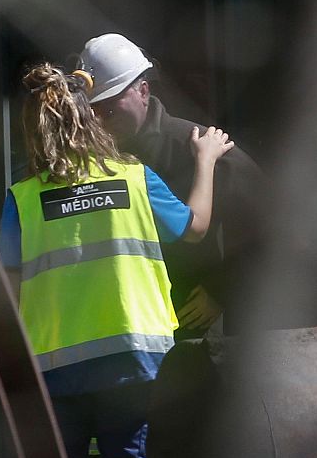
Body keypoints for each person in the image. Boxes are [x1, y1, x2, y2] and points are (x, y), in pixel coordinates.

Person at [0, 62, 232, 458]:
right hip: (132, 359)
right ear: (91, 121)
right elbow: (196, 228)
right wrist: (204, 161)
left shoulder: (23, 198)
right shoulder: (132, 177)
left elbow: (8, 286)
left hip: (56, 362)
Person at [77, 33, 264, 338]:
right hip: (127, 323)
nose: (99, 120)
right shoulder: (87, 159)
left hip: (193, 328)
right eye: (92, 110)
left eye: (109, 108)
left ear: (143, 91)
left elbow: (268, 224)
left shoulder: (200, 149)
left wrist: (221, 291)